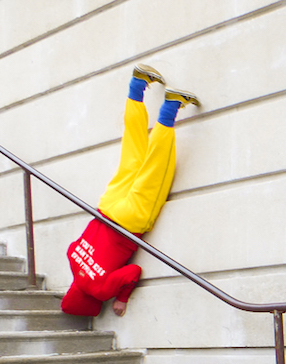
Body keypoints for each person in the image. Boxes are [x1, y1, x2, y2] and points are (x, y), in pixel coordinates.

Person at [61, 64, 200, 317]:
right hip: (106, 206)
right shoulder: (71, 259)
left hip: (128, 221)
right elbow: (74, 245)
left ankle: (171, 106)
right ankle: (137, 85)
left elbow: (132, 273)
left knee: (156, 166)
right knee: (132, 150)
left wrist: (121, 299)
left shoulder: (99, 291)